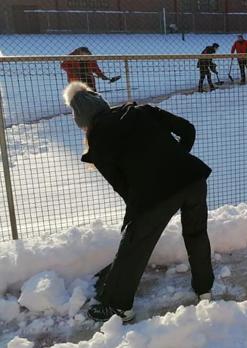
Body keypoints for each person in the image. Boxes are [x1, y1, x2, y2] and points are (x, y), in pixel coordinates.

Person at [62, 81, 214, 322]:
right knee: (196, 233)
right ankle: (204, 290)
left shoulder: (98, 143)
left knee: (134, 245)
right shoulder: (141, 110)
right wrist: (176, 160)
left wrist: (135, 219)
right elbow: (187, 129)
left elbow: (123, 187)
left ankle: (120, 307)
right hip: (192, 177)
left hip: (155, 194)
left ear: (82, 122)